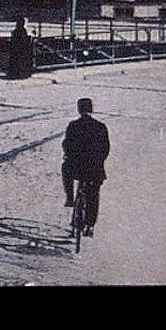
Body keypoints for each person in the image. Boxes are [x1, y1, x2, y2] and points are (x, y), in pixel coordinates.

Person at [62, 98, 110, 238]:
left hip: (76, 167)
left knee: (65, 169)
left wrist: (68, 156)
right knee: (93, 195)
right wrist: (99, 161)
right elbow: (105, 148)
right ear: (91, 109)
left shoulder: (73, 125)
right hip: (94, 169)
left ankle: (70, 198)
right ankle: (90, 225)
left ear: (79, 109)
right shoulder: (100, 126)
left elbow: (67, 144)